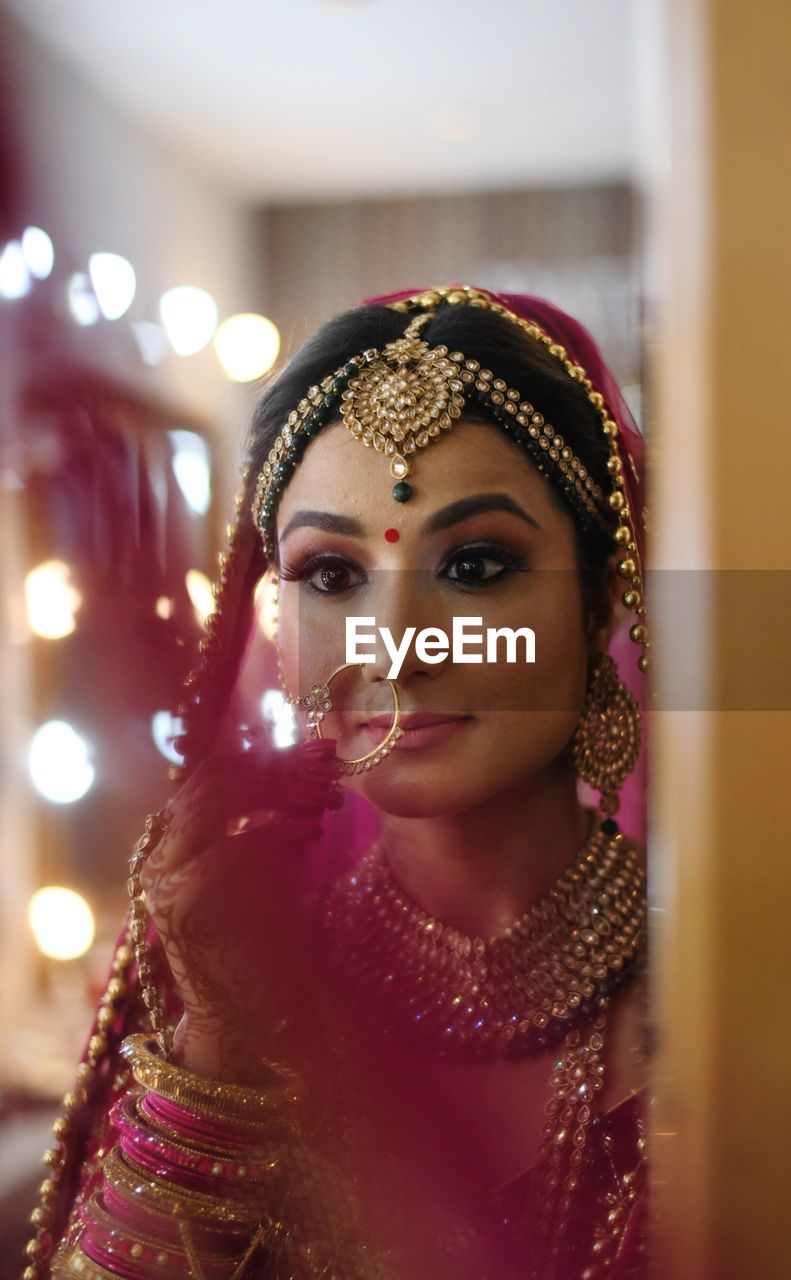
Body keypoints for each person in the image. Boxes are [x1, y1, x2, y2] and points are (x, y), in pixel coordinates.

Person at [27, 285, 650, 1280]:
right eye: (328, 573)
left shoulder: (737, 995)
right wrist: (220, 1052)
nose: (393, 646)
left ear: (606, 592)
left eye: (477, 562)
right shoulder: (212, 986)